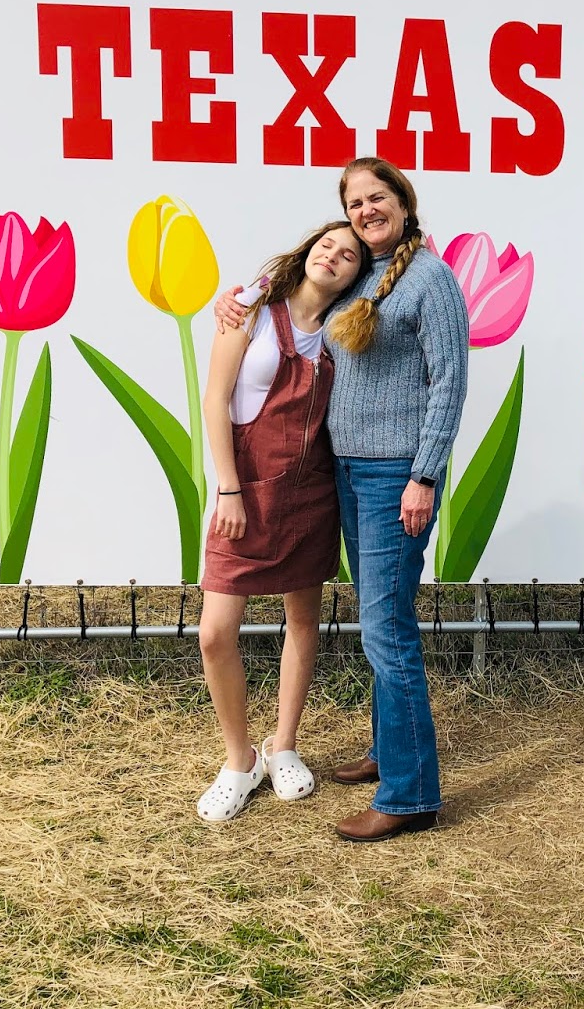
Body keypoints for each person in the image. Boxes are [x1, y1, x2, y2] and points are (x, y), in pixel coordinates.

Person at [216, 157, 469, 842]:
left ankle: (412, 795)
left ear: (403, 201)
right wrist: (237, 296)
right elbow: (298, 279)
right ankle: (390, 753)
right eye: (354, 202)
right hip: (347, 471)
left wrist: (424, 474)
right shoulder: (363, 273)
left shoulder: (431, 279)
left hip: (396, 477)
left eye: (375, 197)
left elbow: (448, 383)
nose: (364, 210)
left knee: (389, 632)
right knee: (376, 623)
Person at [195, 221, 368, 824]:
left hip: (311, 495)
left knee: (303, 622)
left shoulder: (348, 331)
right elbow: (215, 400)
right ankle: (238, 759)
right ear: (309, 250)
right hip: (244, 492)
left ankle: (283, 746)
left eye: (349, 255)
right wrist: (229, 488)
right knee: (216, 632)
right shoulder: (249, 312)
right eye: (328, 244)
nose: (334, 256)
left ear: (356, 273)